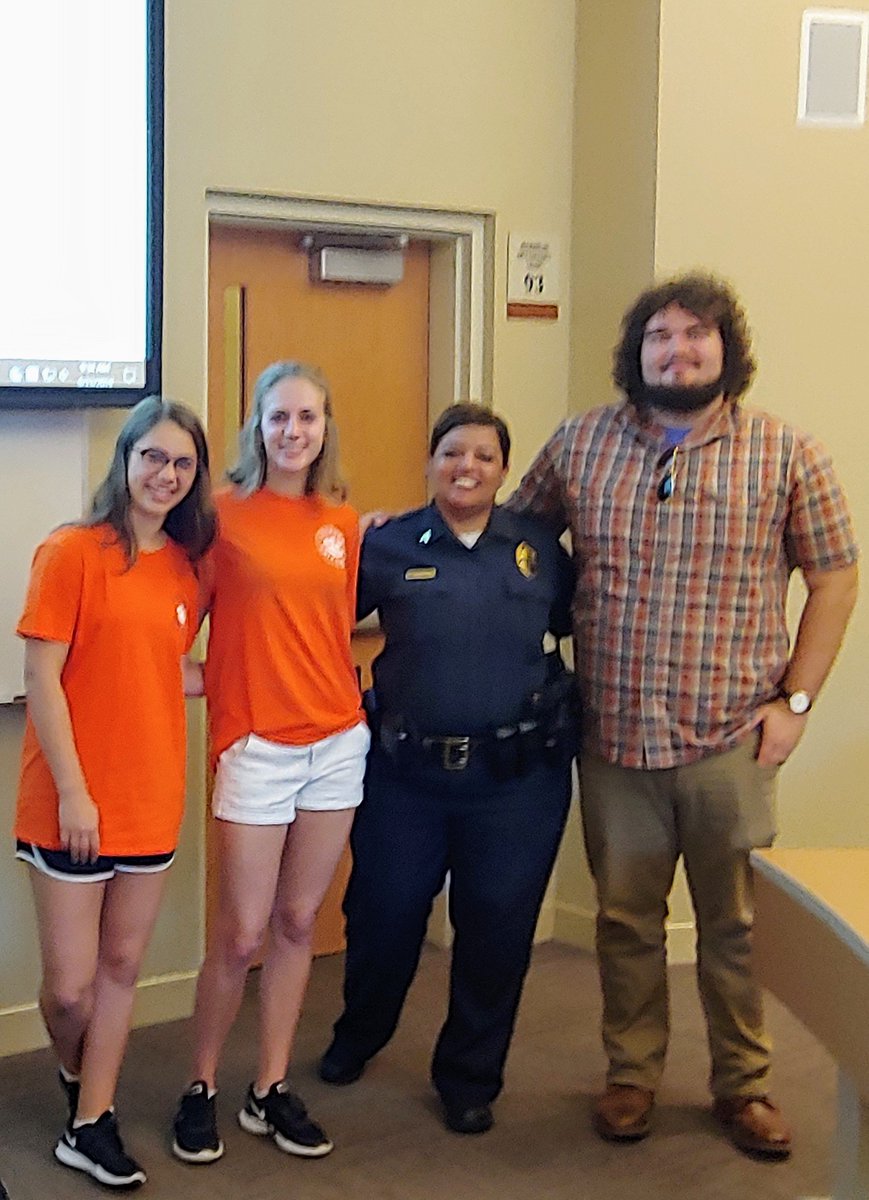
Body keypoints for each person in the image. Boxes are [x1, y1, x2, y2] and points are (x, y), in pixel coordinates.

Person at [508, 272, 859, 1159]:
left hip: (732, 735)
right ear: (637, 352)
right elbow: (512, 534)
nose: (678, 349)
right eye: (660, 335)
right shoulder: (581, 442)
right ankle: (630, 1075)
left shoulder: (786, 453)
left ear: (724, 349)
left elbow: (833, 575)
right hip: (615, 734)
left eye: (695, 334)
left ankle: (743, 1085)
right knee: (624, 925)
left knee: (736, 929)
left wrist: (797, 702)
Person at [319, 403, 576, 1135]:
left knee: (496, 929)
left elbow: (575, 622)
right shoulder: (388, 544)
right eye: (452, 453)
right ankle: (359, 1033)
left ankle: (469, 1076)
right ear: (429, 463)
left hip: (515, 781)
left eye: (484, 457)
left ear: (503, 471)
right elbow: (316, 617)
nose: (467, 467)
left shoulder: (537, 549)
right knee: (383, 914)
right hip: (407, 777)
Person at [14, 397, 216, 1188]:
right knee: (70, 991)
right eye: (153, 458)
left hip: (149, 796)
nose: (166, 475)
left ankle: (91, 1121)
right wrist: (74, 793)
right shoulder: (70, 551)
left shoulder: (185, 568)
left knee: (122, 967)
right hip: (69, 803)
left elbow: (164, 666)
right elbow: (42, 675)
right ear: (125, 460)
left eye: (182, 464)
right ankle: (80, 1074)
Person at [171, 361, 369, 1165]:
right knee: (241, 932)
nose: (293, 431)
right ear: (256, 425)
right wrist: (215, 682)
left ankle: (269, 1087)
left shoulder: (343, 523)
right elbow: (168, 628)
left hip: (336, 742)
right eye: (279, 417)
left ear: (325, 428)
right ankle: (201, 1085)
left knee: (296, 923)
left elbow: (332, 628)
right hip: (255, 746)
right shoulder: (217, 517)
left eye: (308, 418)